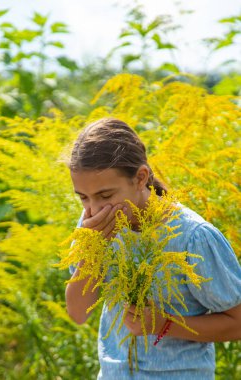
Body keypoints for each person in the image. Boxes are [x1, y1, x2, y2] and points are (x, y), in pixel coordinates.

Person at [65, 118, 241, 380]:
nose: (94, 209)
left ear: (140, 178)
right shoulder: (91, 224)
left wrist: (164, 324)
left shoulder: (192, 237)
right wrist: (93, 251)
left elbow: (236, 323)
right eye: (83, 197)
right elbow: (78, 313)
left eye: (105, 196)